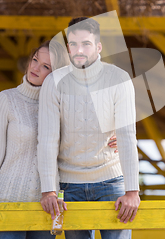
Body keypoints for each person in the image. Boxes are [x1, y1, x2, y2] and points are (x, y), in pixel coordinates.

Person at [0, 41, 118, 239]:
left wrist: (117, 136)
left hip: (46, 206)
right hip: (6, 202)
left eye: (46, 67)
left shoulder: (64, 105)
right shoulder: (6, 100)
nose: (35, 68)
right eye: (35, 60)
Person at [38, 17, 140, 239]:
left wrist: (132, 191)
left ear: (98, 46)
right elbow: (47, 139)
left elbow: (126, 136)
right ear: (67, 48)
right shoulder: (54, 82)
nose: (79, 50)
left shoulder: (119, 79)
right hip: (68, 185)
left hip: (112, 183)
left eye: (86, 44)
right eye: (73, 44)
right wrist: (49, 190)